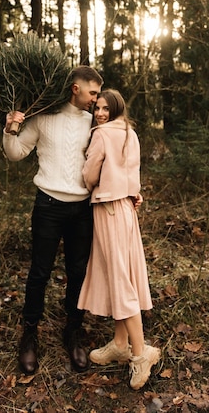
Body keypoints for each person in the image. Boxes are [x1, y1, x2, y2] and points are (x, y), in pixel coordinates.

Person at [3, 65, 103, 375]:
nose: (96, 100)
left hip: (82, 209)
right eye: (93, 93)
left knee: (77, 272)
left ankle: (72, 332)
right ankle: (29, 336)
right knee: (39, 272)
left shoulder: (93, 123)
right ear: (76, 88)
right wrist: (10, 129)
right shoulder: (43, 117)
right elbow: (16, 153)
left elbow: (111, 160)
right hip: (48, 205)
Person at [78, 89, 160, 390]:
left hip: (110, 209)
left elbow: (89, 173)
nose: (99, 113)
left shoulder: (100, 134)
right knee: (121, 274)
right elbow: (131, 173)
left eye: (104, 108)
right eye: (96, 108)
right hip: (125, 208)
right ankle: (120, 342)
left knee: (120, 280)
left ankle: (140, 355)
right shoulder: (129, 132)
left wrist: (91, 183)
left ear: (115, 108)